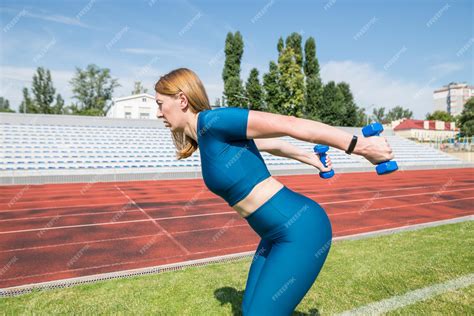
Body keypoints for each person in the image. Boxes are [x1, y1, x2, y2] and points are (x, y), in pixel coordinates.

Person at [154, 68, 394, 315]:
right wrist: (309, 158)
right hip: (272, 235)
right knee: (249, 310)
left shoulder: (212, 121)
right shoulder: (206, 137)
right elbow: (273, 144)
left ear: (182, 100)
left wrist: (361, 146)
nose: (159, 112)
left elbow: (288, 124)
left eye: (161, 104)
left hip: (300, 229)